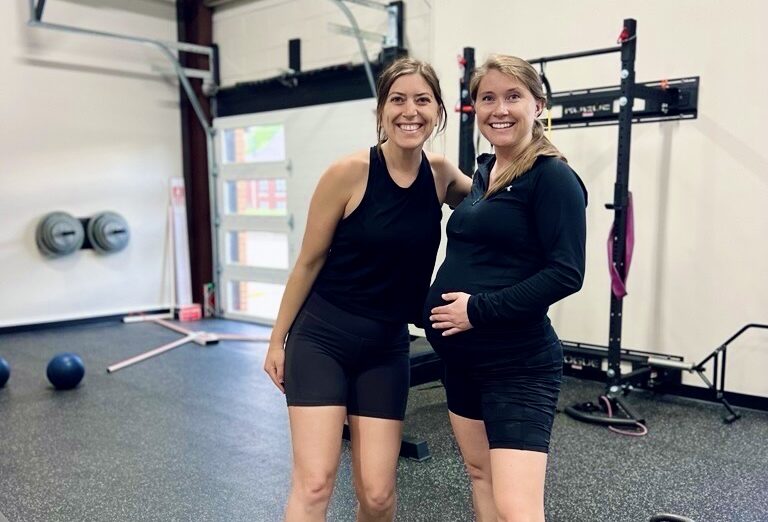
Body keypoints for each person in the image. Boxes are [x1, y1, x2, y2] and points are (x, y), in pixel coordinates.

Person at [263, 57, 470, 522]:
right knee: (315, 483)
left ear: (438, 111)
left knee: (377, 495)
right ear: (381, 111)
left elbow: (492, 203)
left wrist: (542, 163)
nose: (410, 111)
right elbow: (308, 262)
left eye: (422, 100)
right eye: (398, 100)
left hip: (386, 347)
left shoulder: (440, 175)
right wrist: (277, 340)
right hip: (322, 338)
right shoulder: (349, 173)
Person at [424, 54, 588, 522]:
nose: (500, 109)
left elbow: (567, 273)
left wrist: (477, 310)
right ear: (474, 107)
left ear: (538, 105)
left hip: (517, 364)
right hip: (462, 362)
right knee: (481, 477)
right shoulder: (484, 173)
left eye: (513, 96)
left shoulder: (552, 176)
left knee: (518, 507)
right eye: (488, 98)